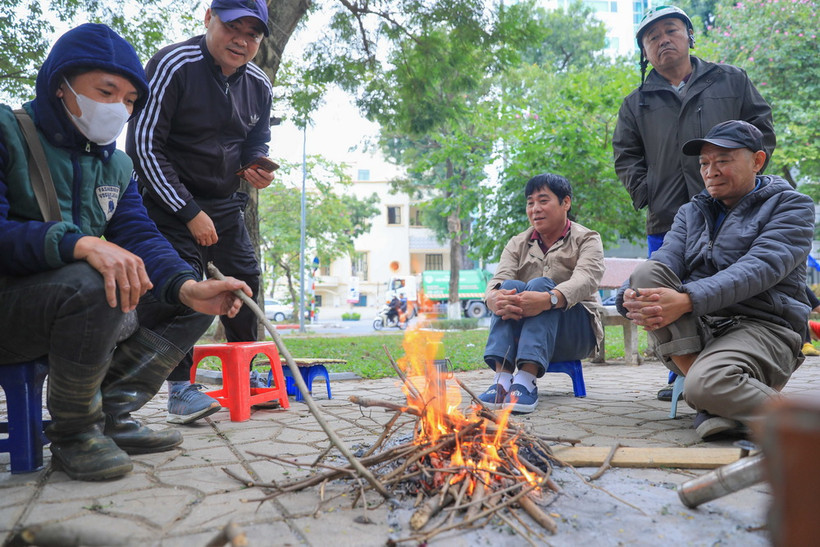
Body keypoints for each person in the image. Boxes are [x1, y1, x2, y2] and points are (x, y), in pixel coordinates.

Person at [0, 24, 251, 481]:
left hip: (82, 305)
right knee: (90, 280)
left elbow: (139, 233)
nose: (118, 107)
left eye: (130, 100)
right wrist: (78, 242)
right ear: (61, 84)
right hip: (12, 310)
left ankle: (113, 411)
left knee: (199, 297)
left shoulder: (115, 164)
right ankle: (75, 432)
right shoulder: (7, 133)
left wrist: (186, 287)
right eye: (106, 90)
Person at [611, 5, 775, 399]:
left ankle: (734, 368)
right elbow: (625, 155)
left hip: (735, 211)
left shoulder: (731, 80)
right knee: (665, 285)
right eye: (652, 38)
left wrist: (747, 183)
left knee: (730, 287)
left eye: (671, 31)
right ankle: (683, 373)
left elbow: (762, 132)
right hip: (668, 214)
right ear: (645, 52)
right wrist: (646, 191)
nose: (663, 40)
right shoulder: (637, 103)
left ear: (688, 36)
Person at [127, 0, 275, 424]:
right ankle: (179, 389)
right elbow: (143, 146)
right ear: (209, 20)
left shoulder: (260, 85)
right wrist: (188, 211)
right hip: (168, 201)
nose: (242, 40)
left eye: (253, 33)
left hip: (225, 204)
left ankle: (244, 376)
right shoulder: (174, 64)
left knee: (245, 282)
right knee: (185, 289)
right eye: (233, 27)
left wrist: (255, 163)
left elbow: (255, 140)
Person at [617, 120, 814, 439]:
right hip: (701, 328)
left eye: (723, 160)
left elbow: (757, 269)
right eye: (705, 163)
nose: (711, 170)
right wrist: (628, 298)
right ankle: (713, 400)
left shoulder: (791, 206)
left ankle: (797, 423)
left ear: (757, 160)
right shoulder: (691, 213)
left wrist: (687, 300)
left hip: (764, 329)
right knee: (647, 276)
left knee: (705, 383)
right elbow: (664, 261)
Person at [479, 173, 604, 414]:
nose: (535, 209)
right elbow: (498, 279)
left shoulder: (587, 239)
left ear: (565, 203)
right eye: (530, 202)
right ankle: (502, 381)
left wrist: (549, 299)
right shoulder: (517, 243)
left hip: (574, 333)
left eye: (543, 201)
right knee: (506, 289)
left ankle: (525, 381)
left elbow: (586, 280)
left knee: (541, 286)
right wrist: (494, 298)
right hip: (524, 333)